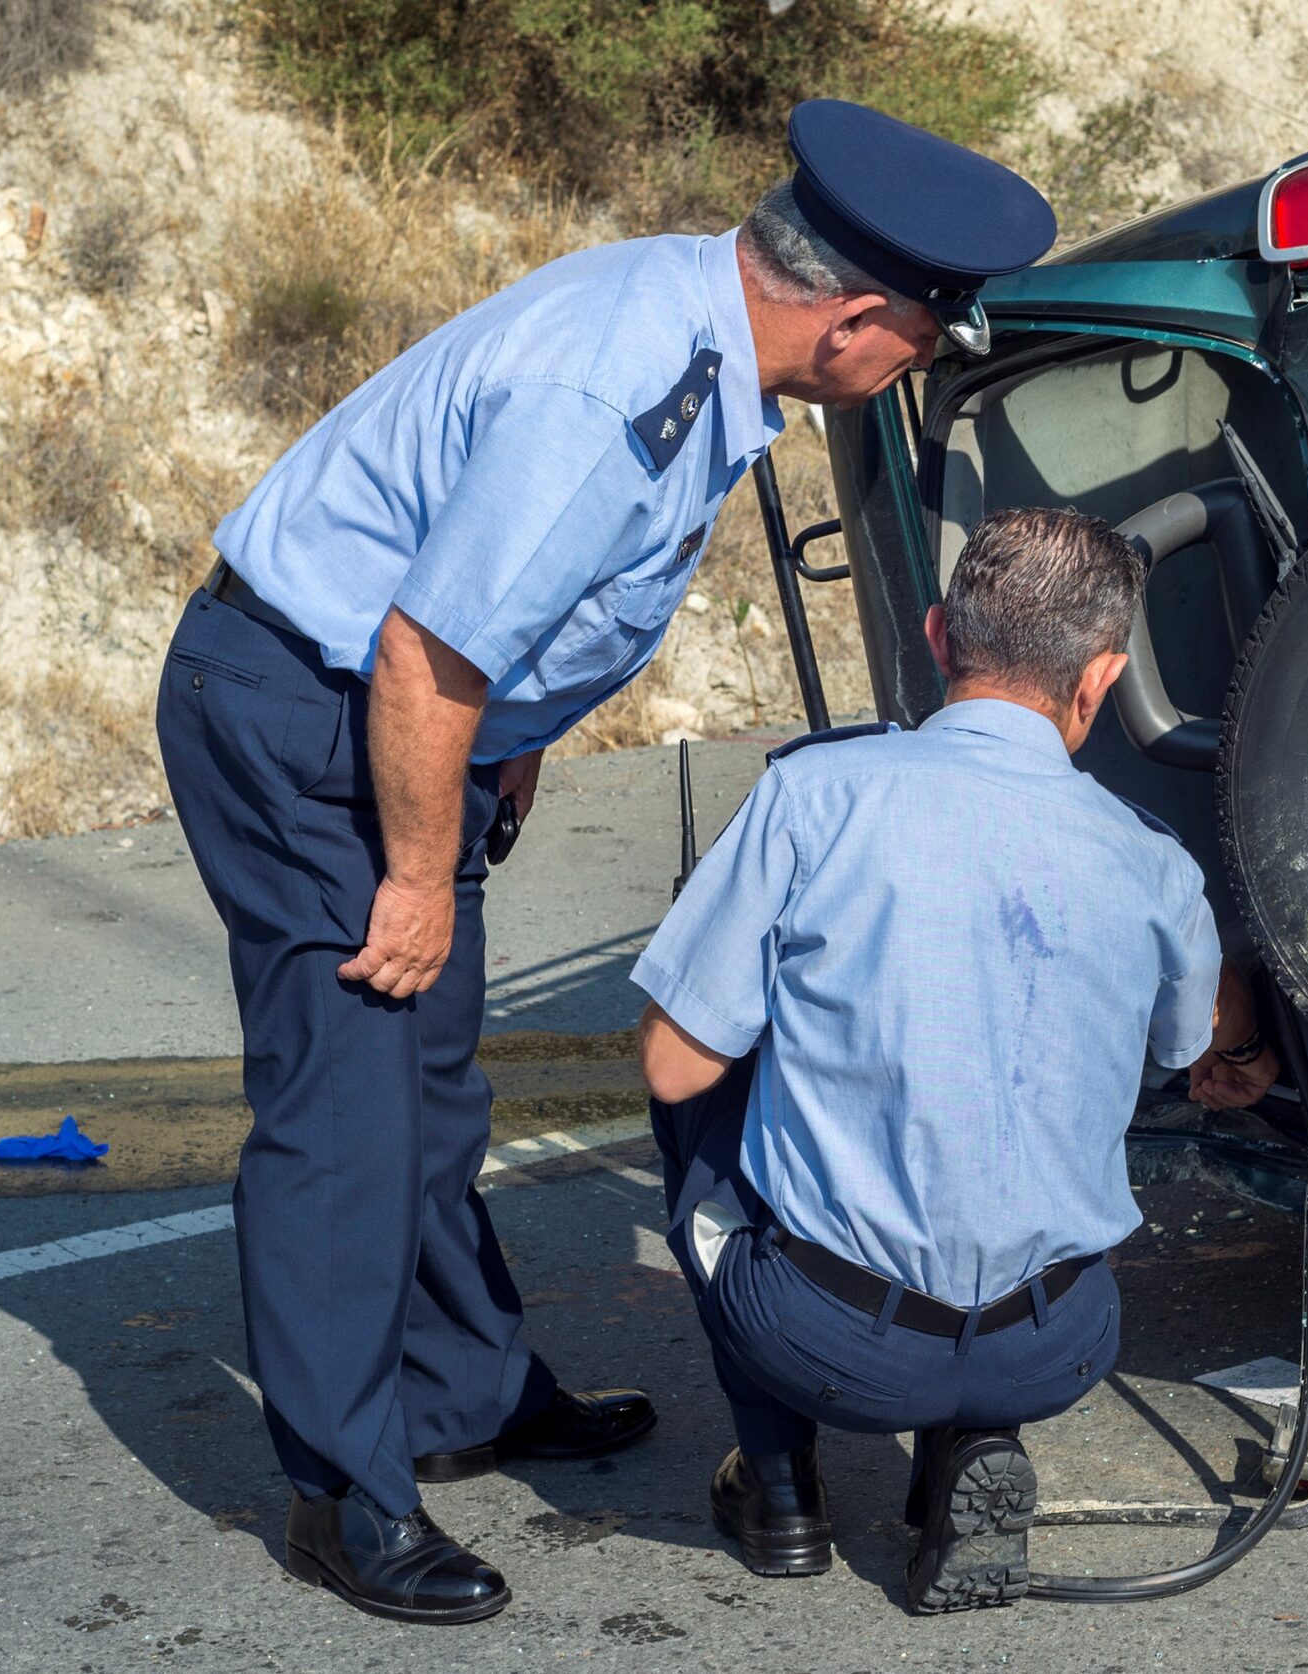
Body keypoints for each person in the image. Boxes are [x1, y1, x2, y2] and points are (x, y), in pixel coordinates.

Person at [155, 100, 1058, 1625]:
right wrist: (421, 873)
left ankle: (463, 1390)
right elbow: (425, 645)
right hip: (314, 711)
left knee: (432, 1084)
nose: (912, 366)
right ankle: (344, 1493)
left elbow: (507, 608)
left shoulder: (692, 318)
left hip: (393, 714)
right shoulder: (624, 383)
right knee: (344, 1113)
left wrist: (505, 744)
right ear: (849, 317)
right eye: (919, 339)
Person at [632, 506, 1281, 1615]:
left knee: (703, 1093)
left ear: (937, 638)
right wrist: (1249, 1045)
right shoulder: (1148, 861)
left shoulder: (813, 795)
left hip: (825, 1344)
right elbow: (1186, 1048)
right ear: (1099, 683)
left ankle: (782, 1489)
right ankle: (970, 1445)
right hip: (1058, 1345)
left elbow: (671, 1065)